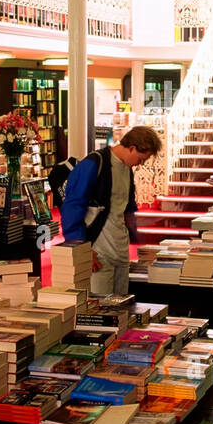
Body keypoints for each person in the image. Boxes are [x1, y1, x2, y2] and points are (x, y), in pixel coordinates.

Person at [60, 125, 162, 296]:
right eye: (141, 158)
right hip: (99, 251)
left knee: (121, 307)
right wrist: (82, 250)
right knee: (100, 308)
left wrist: (134, 235)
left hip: (120, 250)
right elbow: (72, 207)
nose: (141, 164)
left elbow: (126, 206)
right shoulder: (94, 164)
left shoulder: (126, 169)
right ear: (132, 148)